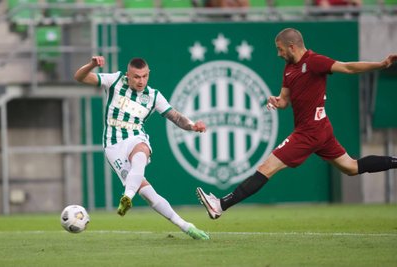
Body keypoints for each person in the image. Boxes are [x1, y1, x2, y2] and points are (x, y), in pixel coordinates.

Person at [196, 27, 397, 220]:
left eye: (280, 49)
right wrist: (276, 101)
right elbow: (284, 101)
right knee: (351, 167)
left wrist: (381, 64)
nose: (278, 53)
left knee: (266, 167)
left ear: (292, 46)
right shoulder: (289, 69)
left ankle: (220, 205)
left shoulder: (315, 61)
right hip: (320, 130)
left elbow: (347, 67)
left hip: (310, 132)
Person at [74, 56, 210, 240]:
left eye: (145, 76)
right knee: (148, 193)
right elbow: (80, 77)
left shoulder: (153, 96)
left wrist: (193, 125)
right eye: (137, 77)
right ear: (128, 75)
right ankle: (186, 226)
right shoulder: (114, 80)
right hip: (113, 146)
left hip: (135, 136)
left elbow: (176, 117)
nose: (141, 81)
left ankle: (127, 196)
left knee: (142, 150)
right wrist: (91, 64)